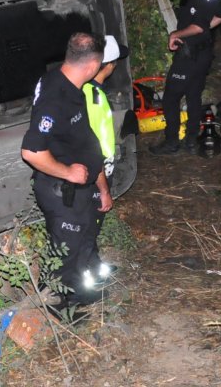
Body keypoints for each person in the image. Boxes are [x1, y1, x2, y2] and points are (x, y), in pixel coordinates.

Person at [21, 32, 107, 306]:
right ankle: (59, 305)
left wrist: (101, 184)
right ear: (93, 66)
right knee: (64, 253)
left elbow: (81, 137)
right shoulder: (55, 97)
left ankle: (78, 294)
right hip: (61, 190)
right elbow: (31, 151)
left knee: (82, 241)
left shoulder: (69, 83)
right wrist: (68, 172)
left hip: (81, 190)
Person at [150, 0, 221, 156]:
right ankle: (192, 139)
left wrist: (177, 34)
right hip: (204, 53)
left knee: (170, 97)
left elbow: (198, 26)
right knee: (193, 95)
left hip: (189, 54)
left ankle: (172, 141)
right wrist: (205, 29)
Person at [82, 35, 129, 285]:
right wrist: (103, 187)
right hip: (94, 172)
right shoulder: (92, 96)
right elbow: (91, 147)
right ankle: (86, 276)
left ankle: (94, 263)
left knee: (92, 222)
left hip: (96, 169)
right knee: (89, 223)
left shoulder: (88, 89)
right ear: (109, 65)